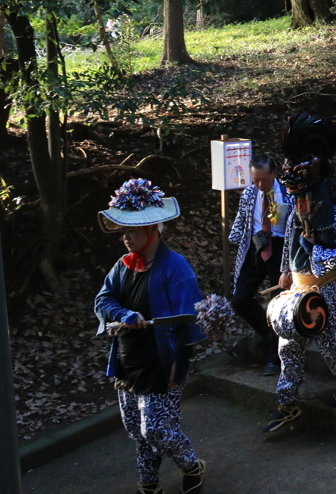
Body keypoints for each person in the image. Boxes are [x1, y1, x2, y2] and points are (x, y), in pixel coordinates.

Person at [94, 179, 206, 494]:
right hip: (128, 361)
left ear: (152, 231)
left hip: (164, 363)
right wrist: (122, 314)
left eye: (132, 231)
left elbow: (189, 325)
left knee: (156, 429)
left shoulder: (176, 269)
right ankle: (149, 483)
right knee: (136, 430)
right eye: (123, 231)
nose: (125, 237)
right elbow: (103, 300)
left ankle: (192, 465)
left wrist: (180, 370)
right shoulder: (122, 266)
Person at [265, 113, 336, 433]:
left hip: (327, 291)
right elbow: (290, 245)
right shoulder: (294, 212)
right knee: (287, 348)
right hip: (297, 290)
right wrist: (284, 272)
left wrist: (316, 251)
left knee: (332, 345)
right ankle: (286, 401)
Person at [228, 154, 292, 376]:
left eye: (264, 180)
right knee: (240, 299)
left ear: (274, 174)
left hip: (280, 249)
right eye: (255, 179)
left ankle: (275, 358)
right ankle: (266, 332)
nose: (259, 184)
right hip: (256, 246)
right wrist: (236, 239)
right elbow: (242, 221)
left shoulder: (287, 193)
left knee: (279, 304)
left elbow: (295, 227)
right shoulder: (249, 193)